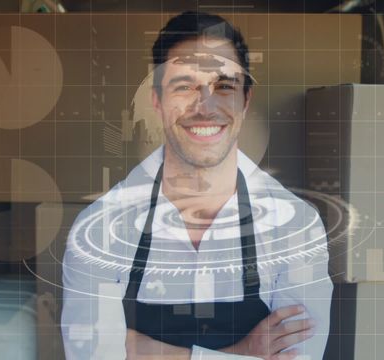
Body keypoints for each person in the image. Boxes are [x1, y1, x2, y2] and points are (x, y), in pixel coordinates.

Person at [61, 11, 333, 360]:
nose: (205, 107)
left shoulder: (296, 225)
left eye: (224, 86)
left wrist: (134, 347)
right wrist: (244, 351)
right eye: (184, 85)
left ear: (245, 100)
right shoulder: (99, 228)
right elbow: (91, 356)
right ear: (156, 101)